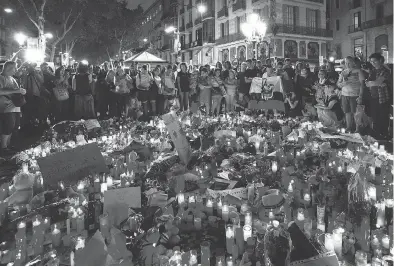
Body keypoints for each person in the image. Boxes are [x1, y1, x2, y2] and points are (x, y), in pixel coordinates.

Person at [0, 61, 26, 154]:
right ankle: (3, 147)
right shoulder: (1, 78)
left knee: (14, 126)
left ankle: (8, 145)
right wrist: (17, 90)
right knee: (8, 126)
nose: (16, 70)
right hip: (5, 107)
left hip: (15, 107)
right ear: (8, 69)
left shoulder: (12, 78)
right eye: (15, 68)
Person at [365, 53, 391, 139]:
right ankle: (376, 135)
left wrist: (375, 83)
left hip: (383, 97)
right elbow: (367, 83)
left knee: (383, 117)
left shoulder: (385, 70)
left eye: (374, 61)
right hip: (373, 97)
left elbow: (377, 82)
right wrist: (376, 83)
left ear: (380, 60)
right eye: (371, 61)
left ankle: (384, 135)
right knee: (375, 117)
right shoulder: (373, 70)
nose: (373, 63)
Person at [337, 56, 365, 132]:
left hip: (355, 95)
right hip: (345, 94)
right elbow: (338, 84)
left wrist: (360, 96)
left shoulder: (359, 71)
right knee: (347, 112)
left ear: (353, 63)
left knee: (356, 113)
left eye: (349, 62)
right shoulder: (343, 72)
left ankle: (357, 128)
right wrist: (342, 84)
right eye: (346, 62)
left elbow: (362, 85)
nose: (348, 64)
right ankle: (348, 126)